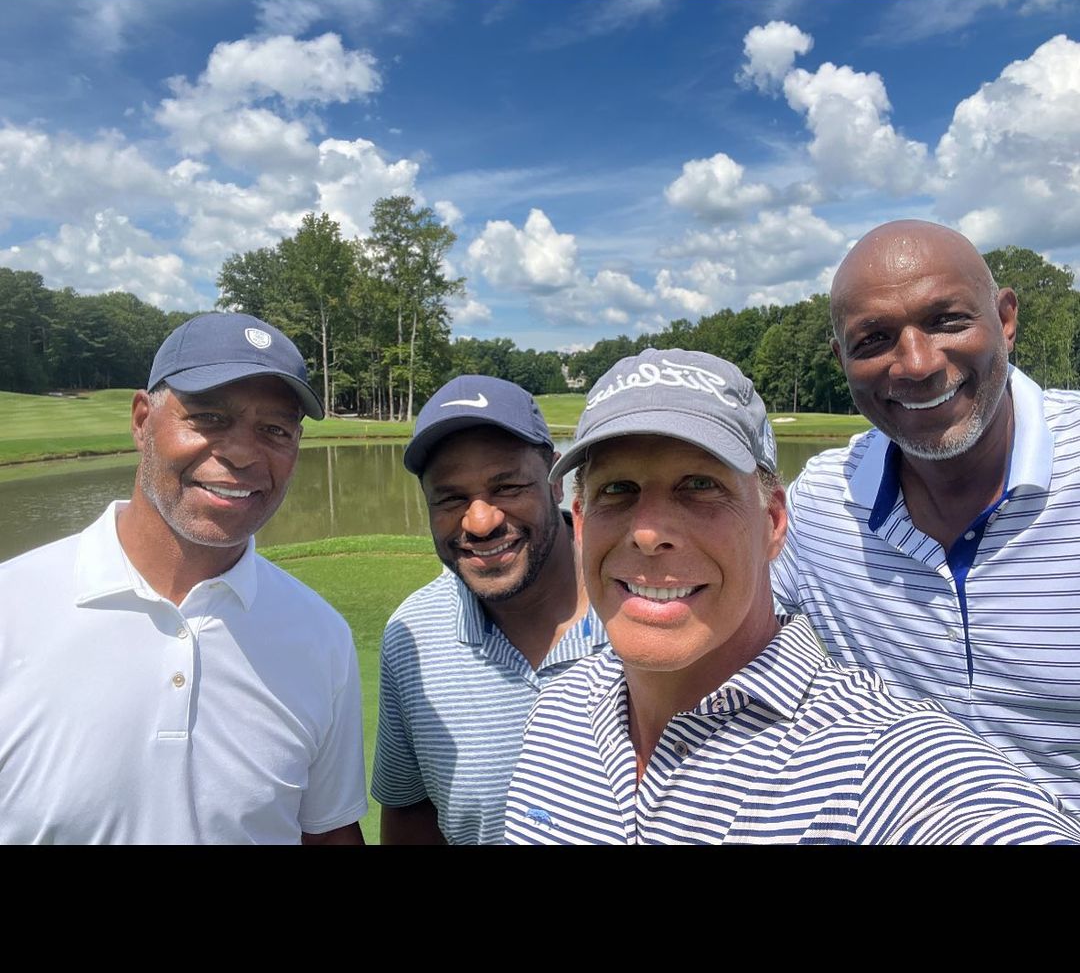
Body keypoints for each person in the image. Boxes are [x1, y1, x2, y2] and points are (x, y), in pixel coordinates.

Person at [504, 347, 1080, 843]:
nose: (649, 532)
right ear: (581, 523)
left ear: (774, 522)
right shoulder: (556, 710)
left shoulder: (878, 763)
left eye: (700, 485)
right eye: (618, 489)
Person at [0, 312, 367, 844]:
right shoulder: (11, 606)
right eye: (209, 417)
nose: (242, 452)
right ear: (141, 420)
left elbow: (328, 834)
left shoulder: (321, 635)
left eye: (275, 430)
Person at [772, 219, 1080, 813]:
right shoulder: (818, 507)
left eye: (946, 321)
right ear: (841, 360)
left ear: (1006, 319)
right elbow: (714, 621)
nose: (915, 363)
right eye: (874, 339)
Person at [371, 375, 607, 844]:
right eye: (452, 498)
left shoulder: (648, 605)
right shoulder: (411, 636)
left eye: (508, 487)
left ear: (556, 481)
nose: (481, 522)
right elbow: (410, 813)